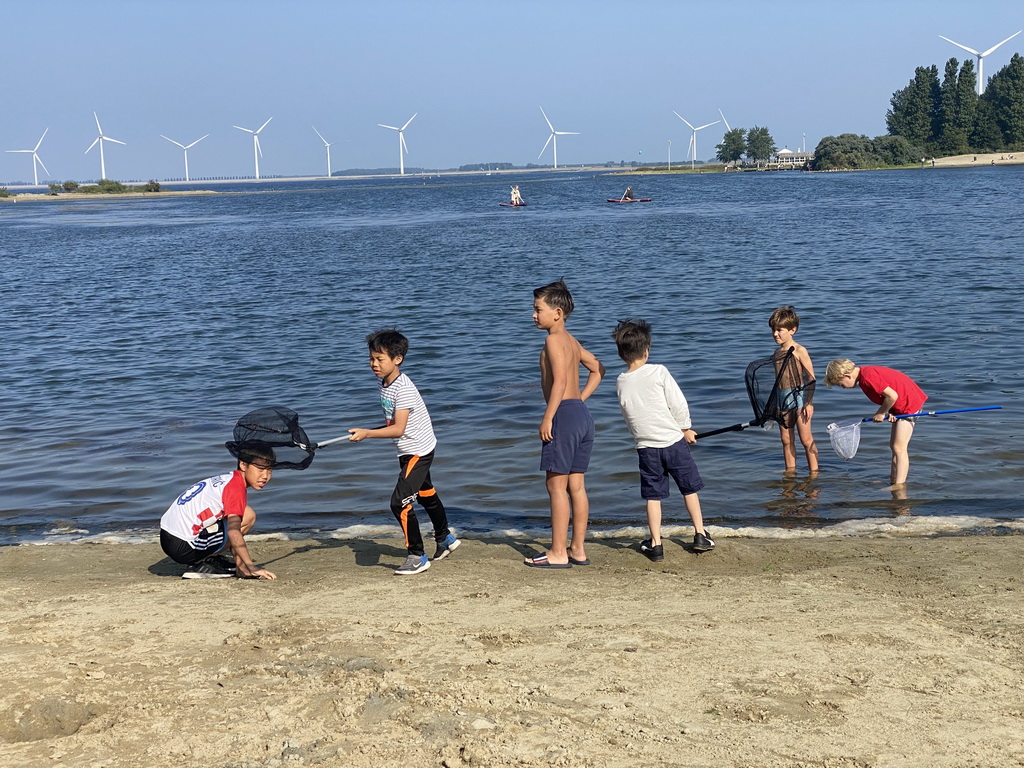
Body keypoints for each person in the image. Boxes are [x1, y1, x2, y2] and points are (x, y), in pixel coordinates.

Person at [348, 329, 459, 575]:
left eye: (380, 359)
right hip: (410, 448)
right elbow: (395, 425)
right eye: (371, 358)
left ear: (397, 359)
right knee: (426, 493)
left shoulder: (403, 388)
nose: (374, 364)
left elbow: (397, 429)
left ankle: (417, 555)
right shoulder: (385, 382)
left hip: (418, 449)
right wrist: (366, 431)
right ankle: (445, 539)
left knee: (399, 503)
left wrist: (367, 433)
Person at [612, 319, 714, 560]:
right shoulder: (659, 371)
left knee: (653, 496)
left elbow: (628, 413)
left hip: (646, 447)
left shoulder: (620, 381)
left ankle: (656, 544)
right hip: (673, 443)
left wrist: (637, 435)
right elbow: (677, 402)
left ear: (621, 353)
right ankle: (700, 534)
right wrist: (685, 428)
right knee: (689, 489)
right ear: (646, 350)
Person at [526, 279, 605, 569]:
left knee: (555, 486)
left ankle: (558, 552)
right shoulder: (572, 341)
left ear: (557, 313)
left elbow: (559, 381)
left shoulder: (552, 340)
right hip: (581, 415)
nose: (533, 315)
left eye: (538, 309)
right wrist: (580, 398)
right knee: (577, 486)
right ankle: (578, 549)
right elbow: (598, 368)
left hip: (563, 414)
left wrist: (548, 416)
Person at [159, 442, 278, 580]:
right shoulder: (236, 489)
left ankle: (235, 566)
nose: (265, 476)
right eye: (260, 469)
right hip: (183, 545)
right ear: (243, 465)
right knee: (248, 517)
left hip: (167, 535)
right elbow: (234, 532)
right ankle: (199, 564)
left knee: (245, 513)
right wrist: (251, 566)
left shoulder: (227, 479)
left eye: (269, 470)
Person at [824, 358, 927, 487]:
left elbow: (892, 396)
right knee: (894, 446)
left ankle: (899, 485)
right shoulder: (864, 376)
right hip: (900, 406)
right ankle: (893, 479)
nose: (843, 387)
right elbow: (890, 395)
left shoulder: (868, 377)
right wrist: (891, 410)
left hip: (909, 404)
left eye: (841, 384)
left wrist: (881, 412)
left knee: (899, 448)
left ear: (847, 376)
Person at [768, 306, 819, 473]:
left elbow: (811, 378)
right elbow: (778, 381)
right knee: (786, 440)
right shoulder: (776, 353)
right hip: (782, 398)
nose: (775, 334)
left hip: (799, 397)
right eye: (773, 330)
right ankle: (790, 473)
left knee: (805, 439)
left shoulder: (800, 350)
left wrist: (808, 403)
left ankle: (814, 473)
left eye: (779, 330)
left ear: (792, 330)